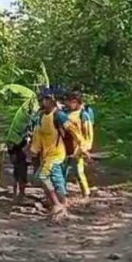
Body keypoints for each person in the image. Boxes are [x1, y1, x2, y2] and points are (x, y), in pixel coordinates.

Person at [29, 87, 84, 219]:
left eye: (46, 99)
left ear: (52, 100)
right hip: (47, 155)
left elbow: (73, 130)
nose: (43, 101)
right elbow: (38, 136)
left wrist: (81, 146)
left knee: (45, 177)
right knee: (47, 178)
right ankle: (58, 203)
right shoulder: (41, 116)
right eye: (42, 99)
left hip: (58, 154)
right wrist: (33, 151)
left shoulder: (58, 115)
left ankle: (58, 204)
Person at [64, 90, 93, 198]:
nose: (69, 104)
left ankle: (86, 193)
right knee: (63, 171)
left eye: (71, 101)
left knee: (78, 172)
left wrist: (85, 148)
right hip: (65, 147)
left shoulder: (83, 115)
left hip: (78, 148)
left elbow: (88, 133)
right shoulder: (66, 113)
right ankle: (62, 193)